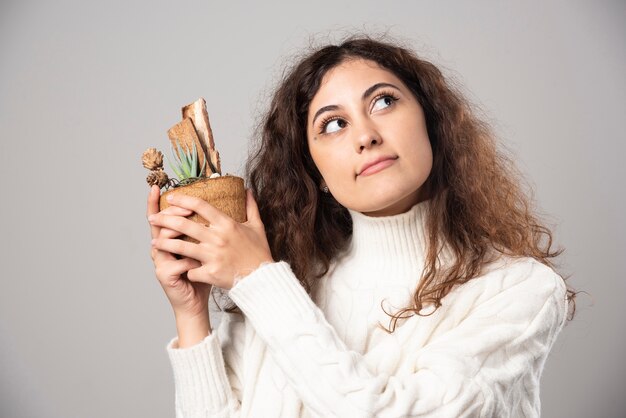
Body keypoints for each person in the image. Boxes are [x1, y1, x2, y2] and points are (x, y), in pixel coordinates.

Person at [146, 35, 576, 417]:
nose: (365, 135)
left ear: (432, 122)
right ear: (315, 174)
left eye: (384, 101)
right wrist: (192, 315)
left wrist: (255, 278)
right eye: (333, 124)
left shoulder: (520, 289)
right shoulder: (287, 284)